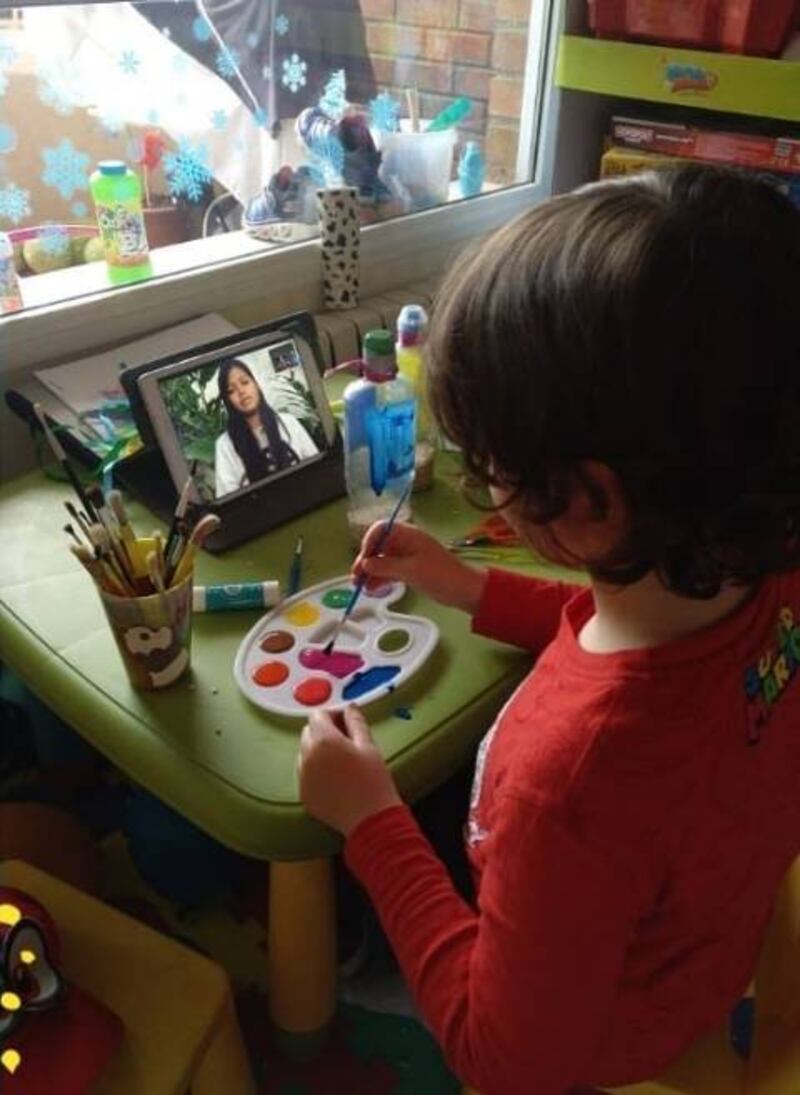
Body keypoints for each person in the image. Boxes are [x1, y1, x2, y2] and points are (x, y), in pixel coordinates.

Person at [296, 165, 800, 1094]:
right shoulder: (765, 574)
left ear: (591, 503)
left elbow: (505, 1061)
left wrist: (370, 821)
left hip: (593, 1036)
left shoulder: (570, 785)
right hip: (700, 946)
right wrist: (467, 586)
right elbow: (611, 633)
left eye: (487, 461)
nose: (482, 481)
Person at [214, 357, 317, 497]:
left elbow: (316, 467)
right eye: (231, 390)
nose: (241, 391)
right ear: (227, 401)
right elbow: (228, 498)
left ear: (256, 385)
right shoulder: (224, 445)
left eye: (245, 382)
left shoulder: (288, 422)